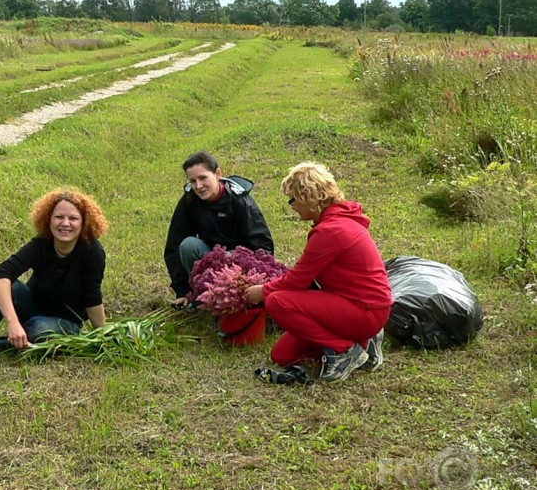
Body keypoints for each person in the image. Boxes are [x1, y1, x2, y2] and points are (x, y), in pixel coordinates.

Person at [246, 162, 393, 383]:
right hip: (354, 304)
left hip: (365, 309)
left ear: (309, 198)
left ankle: (344, 351)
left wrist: (262, 291)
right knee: (282, 355)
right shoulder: (340, 220)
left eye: (293, 199)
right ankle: (364, 342)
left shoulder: (332, 230)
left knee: (277, 300)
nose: (292, 206)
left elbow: (298, 280)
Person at [0, 188, 109, 371]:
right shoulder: (40, 244)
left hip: (66, 323)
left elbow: (92, 298)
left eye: (73, 218)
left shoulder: (93, 252)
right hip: (33, 308)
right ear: (48, 219)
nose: (65, 223)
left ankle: (4, 344)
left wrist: (103, 339)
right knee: (8, 287)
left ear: (83, 222)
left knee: (40, 328)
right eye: (59, 217)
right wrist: (13, 322)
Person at [164, 150, 274, 309]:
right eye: (193, 181)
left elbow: (263, 246)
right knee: (188, 244)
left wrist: (255, 281)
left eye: (203, 178)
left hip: (240, 262)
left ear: (217, 174)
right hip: (208, 256)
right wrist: (182, 291)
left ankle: (233, 299)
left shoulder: (240, 201)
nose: (198, 186)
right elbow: (173, 245)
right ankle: (199, 294)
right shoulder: (189, 200)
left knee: (231, 259)